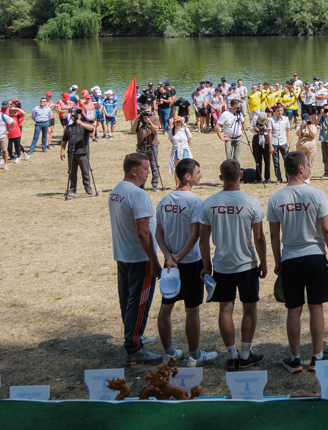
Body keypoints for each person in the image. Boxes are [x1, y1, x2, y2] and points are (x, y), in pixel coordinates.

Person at [267, 151, 328, 374]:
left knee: (293, 309)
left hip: (290, 258)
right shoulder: (316, 194)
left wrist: (278, 261)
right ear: (300, 168)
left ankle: (295, 358)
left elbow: (274, 235)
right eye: (307, 165)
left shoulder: (276, 199)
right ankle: (317, 357)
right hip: (315, 257)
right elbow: (327, 228)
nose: (309, 168)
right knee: (316, 307)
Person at [200, 158, 268, 371]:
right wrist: (264, 261)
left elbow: (203, 239)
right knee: (249, 308)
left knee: (225, 310)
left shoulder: (209, 203)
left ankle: (231, 355)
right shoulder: (251, 202)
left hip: (222, 265)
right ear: (241, 175)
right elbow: (259, 238)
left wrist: (206, 266)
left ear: (221, 177)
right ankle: (245, 353)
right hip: (246, 265)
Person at [155, 157, 219, 368]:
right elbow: (195, 234)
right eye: (198, 172)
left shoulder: (164, 201)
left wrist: (168, 256)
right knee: (192, 309)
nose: (201, 175)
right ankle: (194, 355)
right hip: (190, 262)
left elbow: (158, 233)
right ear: (187, 176)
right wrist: (179, 257)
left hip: (170, 264)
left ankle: (168, 352)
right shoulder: (195, 202)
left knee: (166, 306)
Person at [109, 152, 163, 364]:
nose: (149, 172)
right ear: (134, 171)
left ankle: (134, 333)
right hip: (140, 258)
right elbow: (143, 232)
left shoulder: (116, 190)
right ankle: (134, 346)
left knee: (127, 300)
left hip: (123, 254)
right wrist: (154, 261)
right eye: (145, 169)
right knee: (139, 302)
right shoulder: (138, 195)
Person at [60, 106, 97, 197]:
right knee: (71, 172)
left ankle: (88, 188)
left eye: (76, 115)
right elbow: (64, 141)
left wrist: (81, 123)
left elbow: (92, 128)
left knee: (85, 171)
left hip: (83, 152)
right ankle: (72, 188)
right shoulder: (69, 128)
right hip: (71, 152)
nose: (74, 117)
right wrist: (62, 152)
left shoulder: (84, 125)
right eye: (73, 116)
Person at [135, 109, 163, 190]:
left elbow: (156, 129)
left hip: (152, 145)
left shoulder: (154, 119)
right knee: (141, 166)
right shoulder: (139, 119)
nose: (146, 113)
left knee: (154, 165)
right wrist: (137, 120)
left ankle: (155, 185)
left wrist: (149, 122)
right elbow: (133, 129)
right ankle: (141, 185)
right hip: (141, 145)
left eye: (148, 111)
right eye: (144, 112)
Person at [268, 105, 292, 183]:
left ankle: (288, 177)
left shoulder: (285, 119)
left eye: (281, 110)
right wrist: (270, 145)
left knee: (286, 160)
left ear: (283, 111)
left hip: (283, 142)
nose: (279, 112)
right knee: (276, 162)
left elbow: (288, 131)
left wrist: (288, 142)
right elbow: (269, 133)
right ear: (275, 111)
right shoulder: (271, 120)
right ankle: (279, 178)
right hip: (274, 142)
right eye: (278, 111)